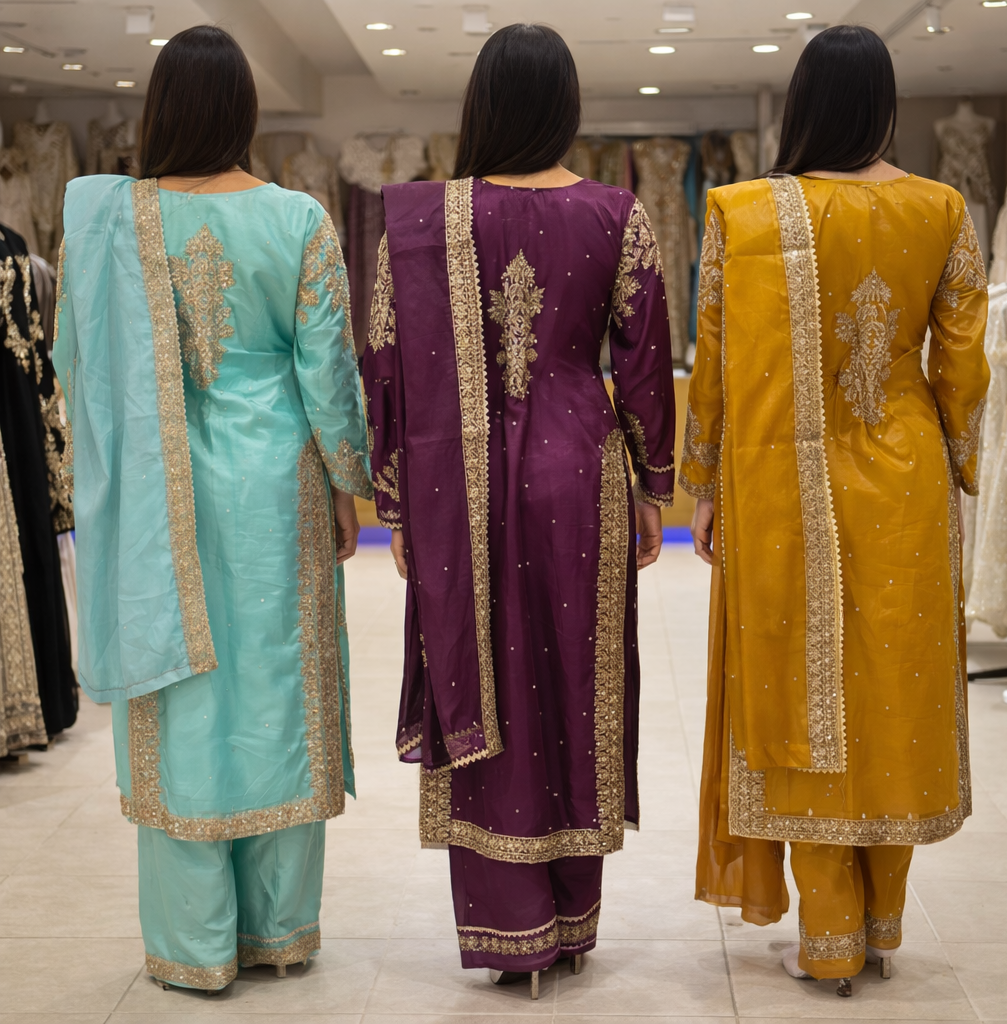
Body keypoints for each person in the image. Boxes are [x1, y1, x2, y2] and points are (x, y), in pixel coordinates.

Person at [52, 26, 372, 993]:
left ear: (159, 109)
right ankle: (280, 929)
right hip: (276, 490)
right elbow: (328, 373)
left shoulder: (110, 221)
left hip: (158, 495)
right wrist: (348, 481)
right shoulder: (298, 219)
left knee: (184, 696)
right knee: (278, 690)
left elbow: (75, 364)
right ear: (244, 110)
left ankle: (195, 947)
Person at [362, 23, 675, 995]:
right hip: (581, 473)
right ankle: (572, 922)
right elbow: (645, 364)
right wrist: (654, 482)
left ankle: (511, 930)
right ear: (566, 106)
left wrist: (397, 502)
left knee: (487, 674)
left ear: (482, 105)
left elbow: (387, 366)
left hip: (459, 486)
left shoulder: (423, 219)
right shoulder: (617, 214)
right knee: (575, 681)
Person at [681, 25, 989, 997]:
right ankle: (880, 923)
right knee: (892, 690)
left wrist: (703, 482)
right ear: (887, 105)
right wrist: (962, 462)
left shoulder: (744, 213)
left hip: (784, 482)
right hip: (906, 479)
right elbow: (962, 363)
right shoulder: (942, 209)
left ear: (805, 104)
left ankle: (829, 934)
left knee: (802, 692)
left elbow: (716, 361)